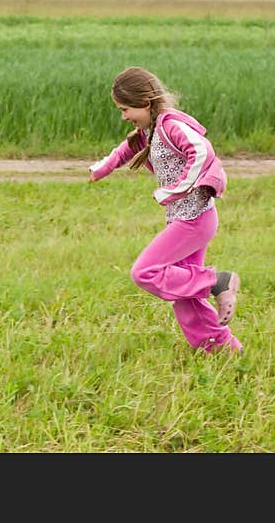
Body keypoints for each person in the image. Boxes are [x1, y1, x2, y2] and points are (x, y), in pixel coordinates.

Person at [88, 66, 243, 353]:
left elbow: (202, 151)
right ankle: (222, 349)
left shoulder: (171, 125)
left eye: (125, 109)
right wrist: (101, 168)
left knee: (145, 271)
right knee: (185, 298)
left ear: (145, 102)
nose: (123, 116)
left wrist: (178, 188)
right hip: (186, 218)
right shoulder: (150, 130)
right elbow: (126, 149)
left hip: (194, 219)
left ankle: (215, 282)